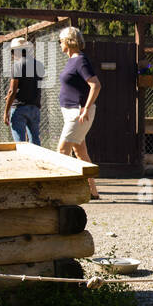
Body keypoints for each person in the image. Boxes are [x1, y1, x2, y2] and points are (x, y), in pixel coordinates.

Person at [56, 25, 101, 199]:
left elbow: (95, 85)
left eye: (61, 41)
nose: (60, 44)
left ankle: (62, 192)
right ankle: (92, 191)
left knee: (62, 150)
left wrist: (86, 108)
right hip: (70, 112)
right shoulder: (72, 59)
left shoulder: (80, 60)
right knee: (81, 153)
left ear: (68, 41)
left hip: (78, 113)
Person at [4, 37, 41, 145]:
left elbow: (12, 90)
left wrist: (6, 112)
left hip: (19, 108)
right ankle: (38, 161)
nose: (11, 55)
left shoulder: (17, 65)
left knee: (20, 143)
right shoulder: (38, 64)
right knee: (35, 141)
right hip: (35, 107)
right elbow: (35, 86)